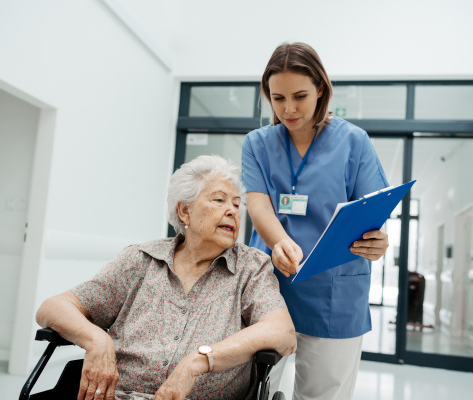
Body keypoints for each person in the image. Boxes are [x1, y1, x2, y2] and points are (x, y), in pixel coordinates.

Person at [36, 155, 296, 400]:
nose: (232, 211)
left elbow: (282, 331)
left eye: (236, 204)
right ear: (185, 212)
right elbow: (52, 308)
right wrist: (96, 339)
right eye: (219, 200)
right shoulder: (139, 260)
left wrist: (199, 361)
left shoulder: (250, 268)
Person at [241, 42, 390, 400]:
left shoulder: (354, 142)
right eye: (278, 98)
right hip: (269, 288)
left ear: (320, 89)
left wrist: (378, 241)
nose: (289, 109)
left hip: (334, 294)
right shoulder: (257, 144)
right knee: (253, 391)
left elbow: (372, 212)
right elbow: (259, 207)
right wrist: (279, 242)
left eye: (300, 96)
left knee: (324, 395)